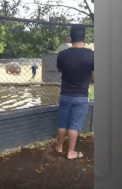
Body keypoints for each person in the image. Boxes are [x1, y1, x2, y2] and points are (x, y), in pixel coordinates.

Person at [54, 24, 94, 159]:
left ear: (70, 38)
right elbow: (94, 76)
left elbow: (61, 71)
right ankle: (71, 152)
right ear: (85, 37)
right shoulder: (92, 55)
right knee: (74, 125)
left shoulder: (62, 55)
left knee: (62, 123)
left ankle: (59, 147)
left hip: (65, 94)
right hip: (81, 96)